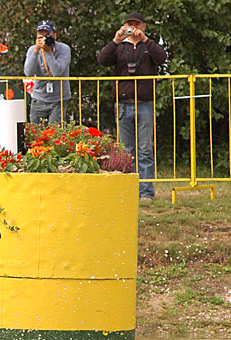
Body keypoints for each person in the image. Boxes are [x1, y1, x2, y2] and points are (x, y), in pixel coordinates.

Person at [97, 10, 167, 200]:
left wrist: (145, 40)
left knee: (145, 150)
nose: (133, 28)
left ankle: (146, 193)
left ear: (143, 26)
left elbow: (162, 58)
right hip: (123, 104)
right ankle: (127, 192)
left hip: (145, 103)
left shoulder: (148, 45)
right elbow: (102, 60)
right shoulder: (120, 47)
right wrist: (116, 39)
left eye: (136, 24)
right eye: (130, 25)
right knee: (125, 152)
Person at [24, 20, 71, 124]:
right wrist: (36, 51)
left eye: (48, 35)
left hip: (58, 99)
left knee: (55, 134)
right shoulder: (32, 50)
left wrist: (47, 52)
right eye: (41, 36)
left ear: (55, 35)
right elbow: (28, 72)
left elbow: (57, 72)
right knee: (36, 134)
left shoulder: (64, 49)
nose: (45, 39)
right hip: (38, 98)